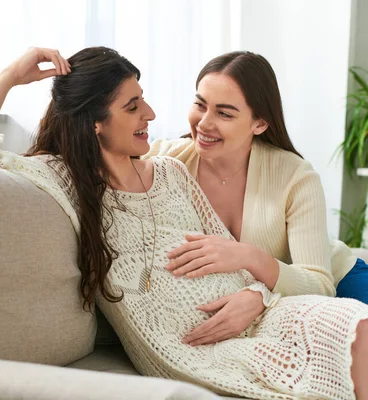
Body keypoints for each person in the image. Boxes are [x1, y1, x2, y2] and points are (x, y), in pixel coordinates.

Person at [0, 47, 368, 400]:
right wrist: (7, 77)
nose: (151, 113)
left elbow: (258, 267)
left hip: (295, 293)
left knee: (358, 324)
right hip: (199, 347)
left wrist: (258, 294)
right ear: (94, 122)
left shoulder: (174, 172)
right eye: (133, 105)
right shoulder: (65, 178)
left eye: (223, 112)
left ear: (259, 123)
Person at [142, 51, 368, 311]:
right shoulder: (168, 159)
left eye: (224, 114)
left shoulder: (296, 176)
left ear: (259, 123)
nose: (204, 124)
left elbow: (320, 286)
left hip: (340, 279)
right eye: (200, 105)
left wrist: (248, 257)